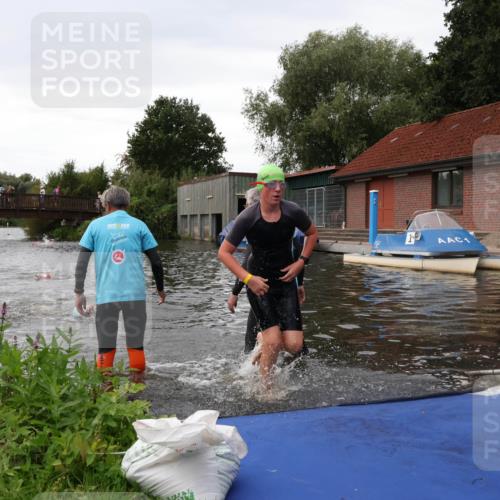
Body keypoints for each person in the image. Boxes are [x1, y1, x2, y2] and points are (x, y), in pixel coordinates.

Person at [218, 164, 318, 385]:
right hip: (259, 285)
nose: (277, 189)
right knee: (274, 342)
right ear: (260, 186)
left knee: (295, 345)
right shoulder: (247, 217)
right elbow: (224, 253)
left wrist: (301, 263)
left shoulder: (292, 211)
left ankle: (264, 340)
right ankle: (266, 389)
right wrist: (247, 280)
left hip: (286, 283)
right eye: (272, 184)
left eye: (281, 184)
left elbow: (312, 234)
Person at [74, 186, 166, 384]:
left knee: (105, 345)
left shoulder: (95, 226)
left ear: (107, 205)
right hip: (135, 296)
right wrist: (160, 289)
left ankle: (106, 392)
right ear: (128, 204)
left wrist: (79, 292)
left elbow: (82, 261)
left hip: (107, 296)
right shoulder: (139, 225)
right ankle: (138, 389)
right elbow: (156, 261)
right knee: (136, 344)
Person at [227, 188, 307, 355]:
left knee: (254, 341)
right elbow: (299, 256)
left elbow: (247, 263)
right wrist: (300, 283)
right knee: (296, 347)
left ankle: (259, 350)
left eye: (247, 204)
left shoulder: (255, 226)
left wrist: (235, 293)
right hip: (283, 288)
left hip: (262, 289)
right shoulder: (287, 224)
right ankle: (271, 358)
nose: (245, 208)